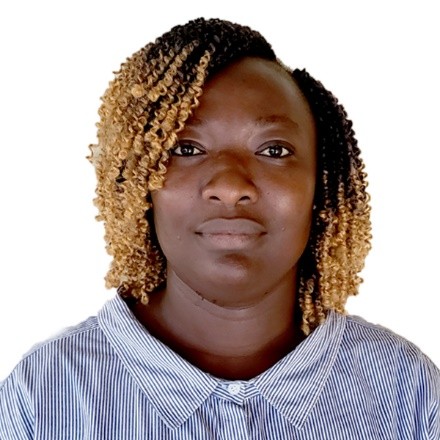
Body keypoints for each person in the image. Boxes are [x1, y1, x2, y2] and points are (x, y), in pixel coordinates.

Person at [0, 17, 438, 439]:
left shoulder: (407, 391)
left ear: (322, 185)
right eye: (187, 148)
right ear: (136, 183)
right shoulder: (41, 395)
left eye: (274, 150)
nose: (229, 187)